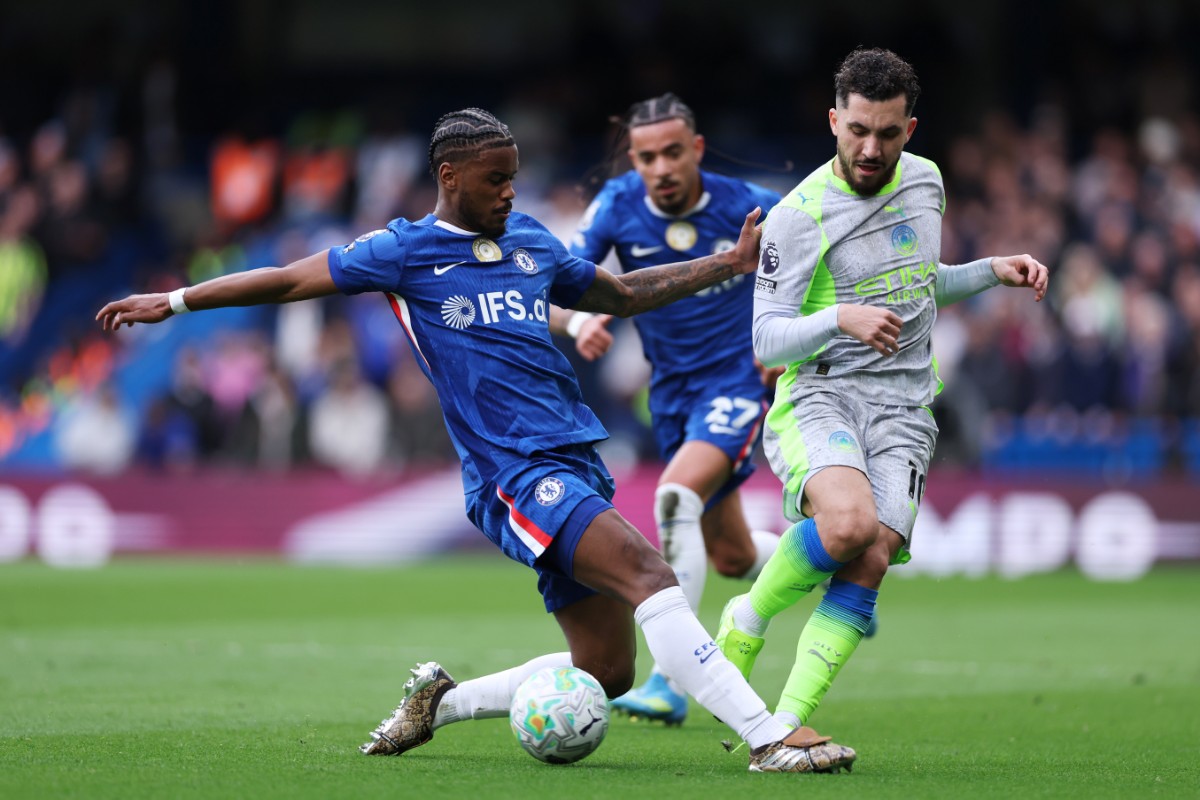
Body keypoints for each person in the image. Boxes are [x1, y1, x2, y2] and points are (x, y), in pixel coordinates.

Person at [97, 108, 856, 774]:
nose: (509, 191)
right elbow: (292, 281)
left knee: (608, 670)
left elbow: (619, 295)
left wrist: (725, 263)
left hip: (575, 460)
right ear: (448, 174)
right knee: (650, 573)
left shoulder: (528, 239)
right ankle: (770, 737)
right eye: (495, 179)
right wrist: (174, 300)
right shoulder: (403, 252)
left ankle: (441, 704)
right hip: (511, 472)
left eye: (514, 177)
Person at [714, 48, 1049, 740]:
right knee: (846, 527)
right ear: (834, 119)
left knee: (871, 552)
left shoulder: (926, 184)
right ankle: (746, 619)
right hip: (824, 395)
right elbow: (767, 341)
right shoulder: (797, 216)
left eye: (888, 133)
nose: (871, 148)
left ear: (911, 128)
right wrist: (840, 316)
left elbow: (920, 285)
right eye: (857, 130)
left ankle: (784, 724)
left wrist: (992, 270)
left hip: (905, 408)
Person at [565, 93, 786, 725]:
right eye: (645, 158)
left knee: (673, 498)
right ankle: (834, 558)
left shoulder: (752, 206)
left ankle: (670, 682)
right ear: (632, 161)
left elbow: (812, 273)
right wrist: (581, 319)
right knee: (734, 557)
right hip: (670, 395)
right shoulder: (617, 205)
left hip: (738, 384)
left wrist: (789, 342)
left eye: (671, 152)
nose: (659, 168)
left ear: (696, 149)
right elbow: (564, 277)